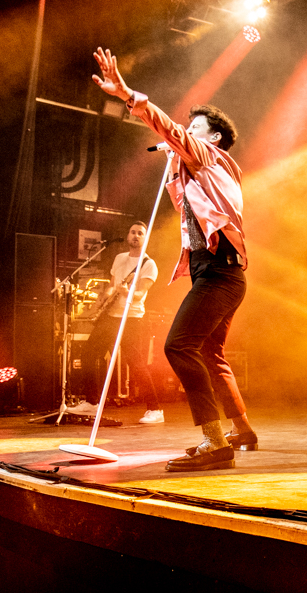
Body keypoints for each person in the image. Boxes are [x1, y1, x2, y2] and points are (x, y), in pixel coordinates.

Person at [92, 47, 256, 472]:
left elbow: (168, 128)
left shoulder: (211, 155)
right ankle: (242, 430)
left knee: (178, 346)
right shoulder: (198, 168)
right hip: (216, 271)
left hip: (219, 272)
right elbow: (183, 199)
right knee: (211, 354)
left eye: (194, 128)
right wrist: (173, 162)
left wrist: (128, 95)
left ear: (213, 138)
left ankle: (215, 443)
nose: (185, 132)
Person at [75, 222, 164, 425]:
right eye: (132, 232)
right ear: (128, 235)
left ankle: (155, 409)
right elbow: (111, 285)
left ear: (145, 239)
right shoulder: (119, 258)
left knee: (136, 364)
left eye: (140, 233)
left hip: (132, 317)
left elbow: (140, 294)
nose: (135, 236)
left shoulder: (148, 264)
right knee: (88, 354)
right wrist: (101, 300)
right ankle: (92, 402)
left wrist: (127, 292)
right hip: (111, 315)